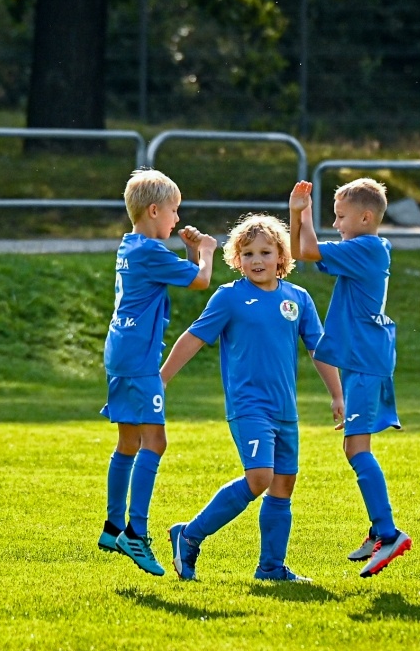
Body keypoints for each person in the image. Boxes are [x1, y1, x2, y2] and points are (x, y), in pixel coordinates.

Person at [162, 214, 343, 584]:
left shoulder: (299, 299)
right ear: (236, 259)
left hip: (285, 411)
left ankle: (271, 569)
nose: (256, 260)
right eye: (247, 254)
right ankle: (190, 535)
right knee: (260, 477)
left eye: (265, 252)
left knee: (283, 484)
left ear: (282, 257)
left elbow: (319, 350)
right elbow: (194, 337)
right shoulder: (229, 297)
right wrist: (161, 379)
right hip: (249, 407)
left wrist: (338, 395)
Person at [290, 177, 413, 577]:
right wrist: (299, 216)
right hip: (367, 359)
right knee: (354, 447)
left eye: (341, 217)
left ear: (365, 217)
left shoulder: (365, 248)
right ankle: (379, 529)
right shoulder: (367, 248)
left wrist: (301, 212)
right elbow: (300, 250)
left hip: (364, 362)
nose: (337, 224)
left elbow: (306, 249)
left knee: (358, 449)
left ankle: (389, 533)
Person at [99, 169, 216, 575]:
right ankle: (136, 532)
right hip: (140, 360)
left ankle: (113, 525)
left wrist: (188, 254)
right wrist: (207, 249)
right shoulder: (150, 251)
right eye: (173, 212)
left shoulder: (131, 247)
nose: (177, 220)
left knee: (129, 441)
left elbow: (176, 279)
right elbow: (201, 281)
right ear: (154, 210)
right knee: (156, 441)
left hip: (120, 353)